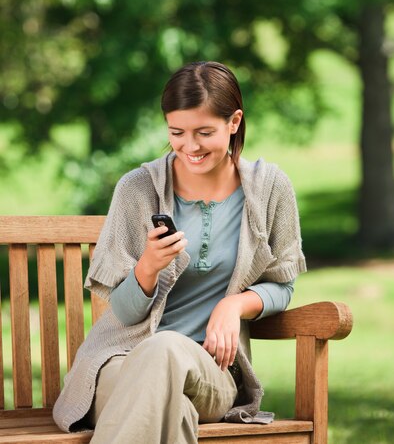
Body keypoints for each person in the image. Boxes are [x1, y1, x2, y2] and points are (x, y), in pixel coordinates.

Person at [53, 61, 307, 443]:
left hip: (212, 371)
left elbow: (283, 285)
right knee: (175, 410)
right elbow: (122, 312)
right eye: (177, 132)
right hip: (118, 365)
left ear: (234, 122)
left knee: (167, 349)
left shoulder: (270, 188)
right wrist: (148, 268)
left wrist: (234, 306)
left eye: (204, 132)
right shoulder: (137, 189)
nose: (190, 146)